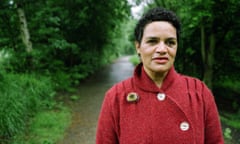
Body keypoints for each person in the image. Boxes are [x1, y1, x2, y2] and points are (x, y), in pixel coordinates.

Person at [96, 7, 224, 144]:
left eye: (170, 42)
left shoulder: (199, 93)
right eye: (152, 41)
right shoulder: (115, 97)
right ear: (138, 47)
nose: (162, 49)